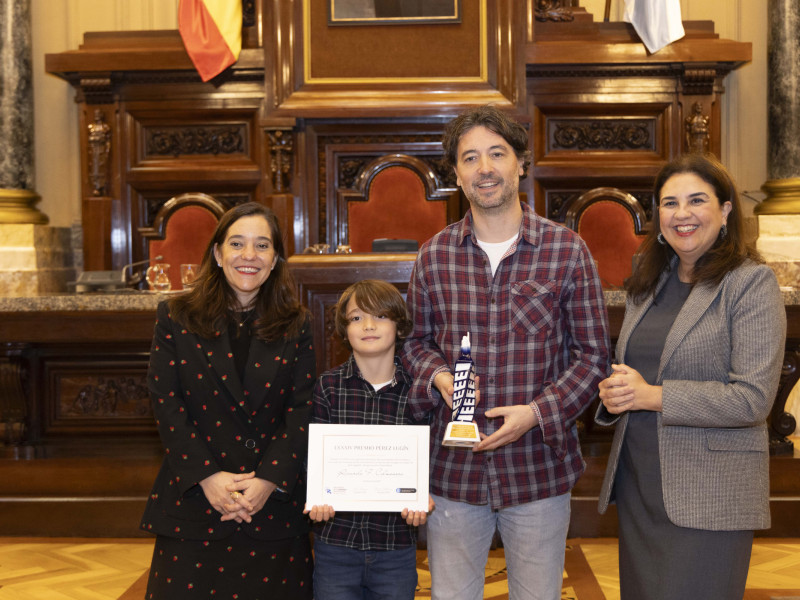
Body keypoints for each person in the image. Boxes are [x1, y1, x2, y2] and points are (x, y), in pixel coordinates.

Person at [402, 104, 610, 600]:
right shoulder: (434, 255)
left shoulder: (567, 250)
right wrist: (437, 377)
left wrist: (538, 413)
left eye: (497, 154)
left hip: (537, 468)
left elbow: (593, 357)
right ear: (457, 174)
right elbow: (413, 343)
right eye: (470, 158)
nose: (485, 168)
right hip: (455, 472)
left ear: (521, 162)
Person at [595, 153, 786, 599]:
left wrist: (651, 397)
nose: (681, 214)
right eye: (669, 202)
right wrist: (617, 393)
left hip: (708, 492)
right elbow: (640, 373)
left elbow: (752, 400)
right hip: (641, 485)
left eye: (696, 200)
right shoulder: (649, 283)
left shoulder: (750, 283)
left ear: (724, 211)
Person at [140, 202, 315, 599]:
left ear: (275, 260)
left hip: (271, 507)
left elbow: (302, 409)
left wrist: (270, 479)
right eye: (237, 244)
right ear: (218, 254)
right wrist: (207, 477)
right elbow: (166, 403)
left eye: (262, 246)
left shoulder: (297, 322)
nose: (249, 255)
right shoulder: (175, 315)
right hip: (196, 504)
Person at [305, 279, 433, 600]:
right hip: (336, 543)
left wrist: (423, 495)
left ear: (399, 325)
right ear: (344, 329)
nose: (369, 325)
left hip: (395, 546)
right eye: (357, 318)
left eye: (380, 316)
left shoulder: (417, 389)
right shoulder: (328, 387)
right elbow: (312, 459)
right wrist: (315, 494)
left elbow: (429, 459)